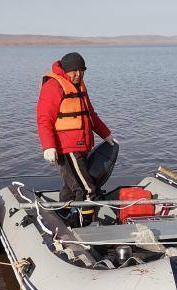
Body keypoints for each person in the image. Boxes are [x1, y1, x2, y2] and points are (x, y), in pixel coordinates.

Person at [36, 52, 117, 215]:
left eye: (82, 71)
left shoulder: (80, 86)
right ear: (65, 71)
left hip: (81, 145)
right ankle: (85, 222)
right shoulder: (53, 86)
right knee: (86, 188)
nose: (78, 74)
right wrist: (48, 146)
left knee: (71, 185)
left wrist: (106, 135)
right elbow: (44, 119)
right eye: (74, 71)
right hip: (66, 148)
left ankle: (63, 213)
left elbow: (90, 115)